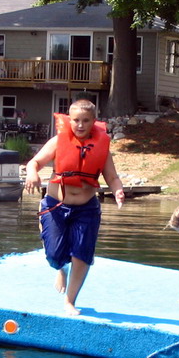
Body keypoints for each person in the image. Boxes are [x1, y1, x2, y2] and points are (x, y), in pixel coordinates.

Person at [25, 99, 125, 316]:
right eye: (76, 120)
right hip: (55, 206)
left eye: (86, 121)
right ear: (69, 120)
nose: (80, 125)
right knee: (54, 255)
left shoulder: (102, 148)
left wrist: (117, 190)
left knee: (82, 254)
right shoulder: (58, 142)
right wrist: (32, 174)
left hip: (86, 209)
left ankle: (70, 301)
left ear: (93, 122)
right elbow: (34, 163)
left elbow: (113, 177)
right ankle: (61, 268)